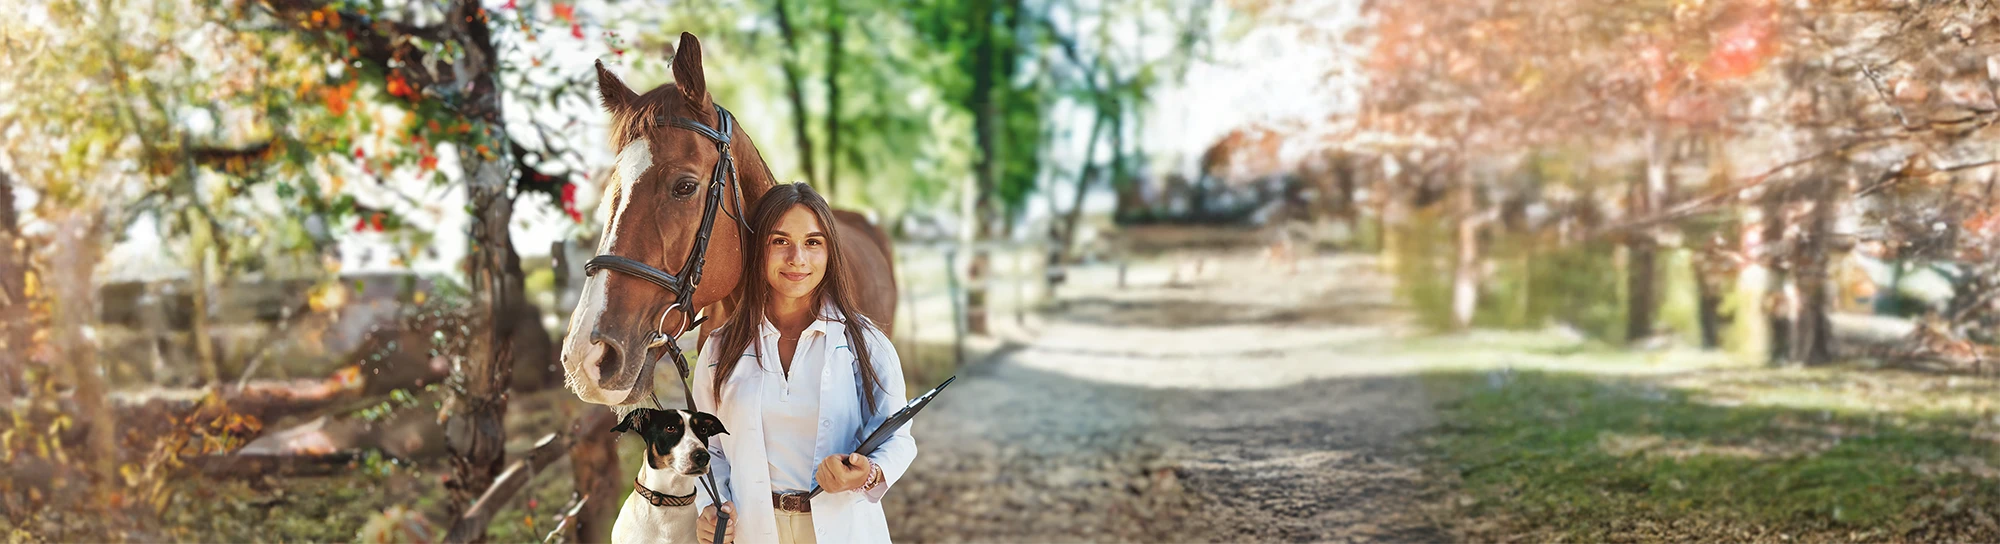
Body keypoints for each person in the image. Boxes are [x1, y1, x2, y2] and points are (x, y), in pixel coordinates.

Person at [693, 182, 916, 544]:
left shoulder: (865, 343)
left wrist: (867, 474)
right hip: (754, 530)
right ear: (757, 250)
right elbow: (710, 450)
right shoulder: (721, 349)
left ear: (829, 252)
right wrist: (710, 506)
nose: (797, 257)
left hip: (842, 528)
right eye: (779, 241)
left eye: (813, 242)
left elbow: (900, 439)